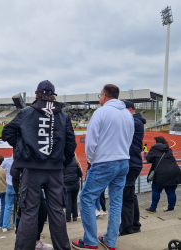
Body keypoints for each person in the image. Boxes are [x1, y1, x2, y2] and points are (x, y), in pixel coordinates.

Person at [2, 80, 76, 250]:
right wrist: (61, 161)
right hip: (56, 171)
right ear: (54, 96)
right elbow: (71, 145)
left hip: (32, 170)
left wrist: (24, 150)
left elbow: (7, 133)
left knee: (29, 212)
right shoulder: (63, 116)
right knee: (57, 211)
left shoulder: (27, 112)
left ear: (36, 94)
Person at [72, 84, 134, 250]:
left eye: (100, 95)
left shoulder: (101, 112)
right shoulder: (128, 115)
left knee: (86, 199)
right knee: (115, 202)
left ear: (104, 96)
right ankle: (110, 241)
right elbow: (129, 140)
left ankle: (90, 241)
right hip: (123, 162)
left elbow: (91, 142)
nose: (99, 98)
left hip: (104, 163)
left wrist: (93, 161)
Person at [119, 101, 146, 236]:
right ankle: (134, 224)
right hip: (133, 163)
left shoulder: (133, 122)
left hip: (130, 164)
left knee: (127, 198)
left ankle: (127, 228)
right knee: (131, 196)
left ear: (129, 110)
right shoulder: (135, 121)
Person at [145, 136, 181, 213]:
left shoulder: (154, 148)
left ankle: (153, 208)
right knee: (171, 191)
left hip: (161, 173)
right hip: (174, 172)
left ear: (156, 142)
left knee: (156, 190)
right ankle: (171, 209)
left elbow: (148, 159)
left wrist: (145, 151)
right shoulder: (168, 148)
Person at [64, 154, 82, 222]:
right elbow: (80, 174)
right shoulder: (76, 162)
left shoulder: (64, 162)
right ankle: (75, 217)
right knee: (74, 201)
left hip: (67, 185)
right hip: (76, 184)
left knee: (68, 202)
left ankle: (68, 218)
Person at [1, 157, 17, 232]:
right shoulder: (22, 159)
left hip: (10, 186)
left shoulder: (7, 160)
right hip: (18, 185)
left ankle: (5, 226)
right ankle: (17, 225)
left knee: (8, 206)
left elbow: (2, 167)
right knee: (18, 207)